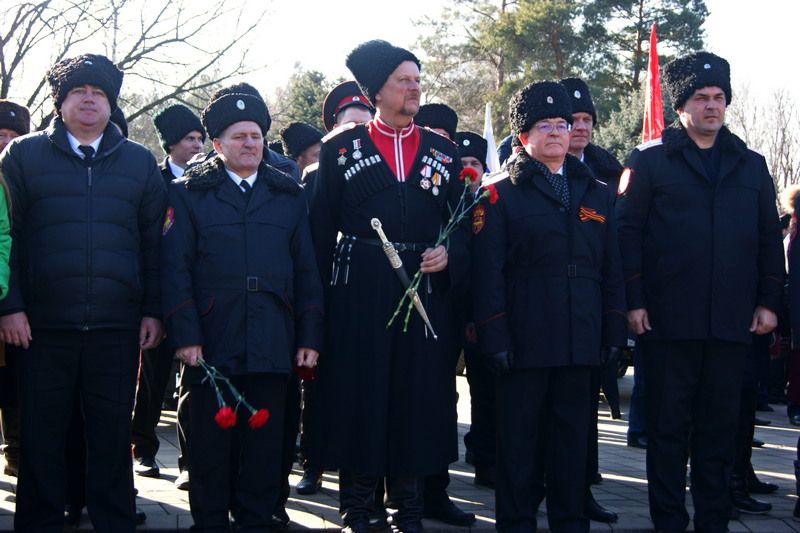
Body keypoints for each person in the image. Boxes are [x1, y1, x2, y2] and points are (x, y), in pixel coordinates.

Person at [616, 52, 785, 532]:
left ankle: (714, 519)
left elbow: (768, 239)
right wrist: (634, 300)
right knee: (668, 430)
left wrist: (769, 302)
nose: (712, 106)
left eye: (719, 98)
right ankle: (668, 520)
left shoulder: (750, 165)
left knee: (720, 430)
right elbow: (626, 235)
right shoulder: (650, 162)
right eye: (700, 98)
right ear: (680, 106)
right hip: (668, 321)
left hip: (732, 321)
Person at [0, 53, 166, 533]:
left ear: (111, 104)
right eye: (78, 91)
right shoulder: (23, 156)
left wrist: (153, 310)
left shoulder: (138, 162)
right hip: (40, 327)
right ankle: (41, 522)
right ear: (60, 102)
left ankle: (114, 521)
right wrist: (9, 306)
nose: (89, 100)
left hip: (116, 326)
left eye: (98, 93)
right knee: (41, 436)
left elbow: (155, 244)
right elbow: (5, 236)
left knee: (111, 436)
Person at [309, 39, 468, 533]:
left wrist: (449, 252)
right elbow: (318, 234)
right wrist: (314, 316)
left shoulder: (444, 151)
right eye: (404, 81)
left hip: (424, 290)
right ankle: (358, 510)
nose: (415, 88)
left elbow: (463, 224)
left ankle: (408, 510)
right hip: (358, 292)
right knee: (361, 393)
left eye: (418, 80)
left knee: (416, 398)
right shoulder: (339, 150)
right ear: (377, 91)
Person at [161, 86, 323, 532]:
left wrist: (309, 336)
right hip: (212, 338)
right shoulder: (188, 194)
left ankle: (255, 519)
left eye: (256, 136)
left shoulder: (288, 195)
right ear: (217, 144)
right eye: (238, 137)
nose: (250, 144)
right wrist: (185, 335)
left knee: (265, 447)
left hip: (273, 336)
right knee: (209, 446)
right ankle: (210, 521)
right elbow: (175, 269)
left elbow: (306, 270)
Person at [471, 80, 626, 533]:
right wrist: (494, 335)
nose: (557, 132)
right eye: (545, 125)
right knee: (519, 446)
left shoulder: (596, 192)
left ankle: (570, 521)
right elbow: (487, 274)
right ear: (523, 136)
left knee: (572, 445)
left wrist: (614, 330)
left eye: (563, 123)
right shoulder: (498, 193)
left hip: (581, 339)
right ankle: (516, 523)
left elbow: (611, 268)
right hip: (525, 340)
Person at [130, 103, 206, 487]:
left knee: (193, 381)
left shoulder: (208, 179)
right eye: (189, 139)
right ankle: (143, 448)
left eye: (200, 138)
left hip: (196, 294)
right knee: (152, 377)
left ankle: (190, 460)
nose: (197, 145)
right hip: (158, 293)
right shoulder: (153, 179)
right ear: (171, 144)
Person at [559, 76, 623, 524]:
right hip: (544, 310)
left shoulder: (609, 173)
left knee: (585, 410)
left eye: (587, 119)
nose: (580, 127)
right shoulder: (528, 164)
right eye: (572, 119)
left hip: (591, 305)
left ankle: (583, 489)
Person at [454, 131, 495, 488]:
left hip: (482, 312)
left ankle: (484, 457)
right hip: (449, 307)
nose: (468, 170)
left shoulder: (493, 202)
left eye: (474, 164)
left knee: (484, 389)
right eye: (462, 164)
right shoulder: (447, 204)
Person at [0, 99, 28, 480]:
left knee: (15, 383)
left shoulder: (25, 176)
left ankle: (17, 450)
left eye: (12, 135)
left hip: (17, 296)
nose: (5, 141)